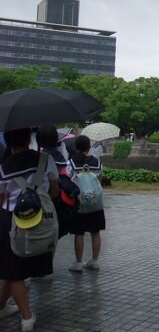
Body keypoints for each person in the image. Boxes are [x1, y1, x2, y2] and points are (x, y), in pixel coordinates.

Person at [0, 127, 59, 332]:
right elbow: (54, 189)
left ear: (7, 141)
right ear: (28, 138)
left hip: (12, 222)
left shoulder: (3, 167)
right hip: (42, 218)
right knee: (14, 269)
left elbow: (1, 199)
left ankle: (27, 318)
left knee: (13, 270)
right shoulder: (44, 159)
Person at [67, 135, 105, 272]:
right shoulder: (96, 162)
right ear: (89, 147)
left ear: (76, 147)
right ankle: (94, 261)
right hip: (95, 201)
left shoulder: (71, 163)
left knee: (79, 232)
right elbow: (99, 178)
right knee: (96, 231)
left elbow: (68, 178)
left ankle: (78, 262)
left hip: (79, 202)